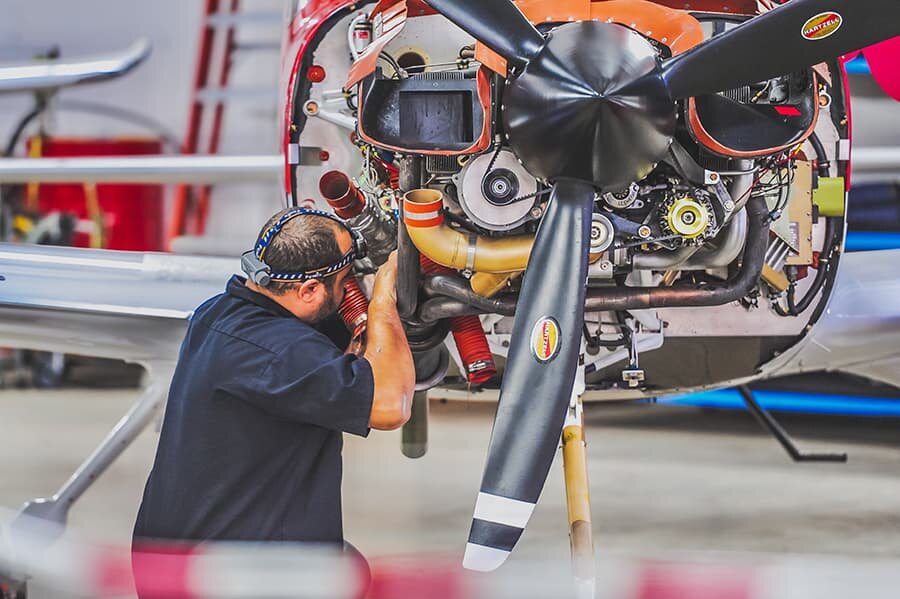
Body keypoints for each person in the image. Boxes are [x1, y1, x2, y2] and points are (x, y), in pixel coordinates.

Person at [131, 207, 415, 582]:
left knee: (350, 569)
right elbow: (391, 405)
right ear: (309, 290)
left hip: (174, 558)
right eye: (345, 281)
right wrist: (382, 300)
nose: (350, 289)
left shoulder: (217, 313)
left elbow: (322, 354)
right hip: (236, 579)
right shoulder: (281, 353)